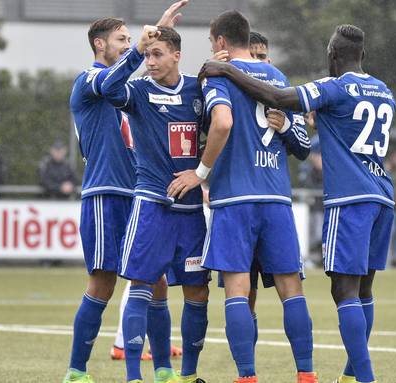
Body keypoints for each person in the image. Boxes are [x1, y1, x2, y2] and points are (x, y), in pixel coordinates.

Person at [198, 23, 396, 383]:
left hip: (322, 197)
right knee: (343, 289)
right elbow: (306, 137)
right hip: (375, 193)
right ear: (363, 55)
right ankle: (333, 375)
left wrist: (226, 69)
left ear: (332, 54)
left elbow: (270, 107)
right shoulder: (385, 91)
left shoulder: (327, 87)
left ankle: (256, 377)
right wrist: (290, 126)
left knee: (332, 290)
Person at [169, 11, 316, 383]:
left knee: (237, 289)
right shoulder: (278, 76)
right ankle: (306, 375)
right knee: (291, 290)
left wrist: (200, 172)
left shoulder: (219, 75)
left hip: (235, 198)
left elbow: (222, 122)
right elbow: (300, 139)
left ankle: (247, 377)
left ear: (220, 42)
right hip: (277, 197)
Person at [62, 3, 185, 382]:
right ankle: (77, 371)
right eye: (122, 39)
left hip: (139, 193)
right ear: (100, 44)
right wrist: (140, 49)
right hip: (105, 192)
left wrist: (159, 37)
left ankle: (163, 368)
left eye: (130, 39)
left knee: (156, 280)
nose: (130, 44)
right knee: (103, 280)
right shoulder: (88, 79)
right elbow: (111, 82)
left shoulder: (130, 85)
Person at [101, 20, 210, 383]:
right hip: (151, 206)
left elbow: (225, 125)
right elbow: (107, 85)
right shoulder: (138, 92)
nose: (150, 61)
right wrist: (136, 49)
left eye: (157, 54)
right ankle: (136, 375)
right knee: (142, 283)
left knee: (197, 290)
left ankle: (185, 374)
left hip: (192, 210)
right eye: (147, 55)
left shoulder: (199, 90)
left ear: (177, 56)